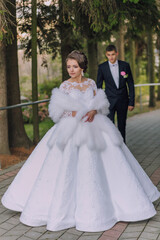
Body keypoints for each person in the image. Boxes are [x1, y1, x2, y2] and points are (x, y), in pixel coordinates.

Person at [1, 50, 160, 232]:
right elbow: (58, 111)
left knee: (112, 157)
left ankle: (122, 205)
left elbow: (98, 103)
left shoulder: (91, 83)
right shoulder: (64, 86)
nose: (71, 70)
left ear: (82, 67)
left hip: (94, 125)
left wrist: (93, 111)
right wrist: (75, 113)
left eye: (74, 66)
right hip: (71, 128)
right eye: (68, 66)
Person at [97, 44, 135, 142]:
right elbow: (99, 86)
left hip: (123, 100)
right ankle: (112, 148)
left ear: (117, 53)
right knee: (109, 125)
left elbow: (130, 84)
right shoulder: (102, 67)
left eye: (113, 54)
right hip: (109, 101)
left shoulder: (125, 66)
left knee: (122, 125)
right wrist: (99, 103)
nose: (111, 57)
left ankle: (123, 148)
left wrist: (131, 102)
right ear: (106, 55)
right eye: (109, 55)